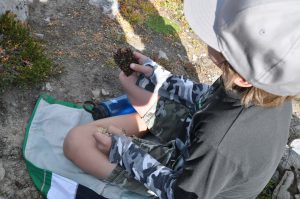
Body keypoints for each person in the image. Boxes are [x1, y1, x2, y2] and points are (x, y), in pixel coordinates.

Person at [63, 0, 300, 198]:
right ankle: (144, 119)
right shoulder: (270, 85)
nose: (210, 34)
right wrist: (160, 78)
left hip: (190, 179)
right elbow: (208, 97)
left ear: (242, 78)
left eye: (216, 36)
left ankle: (136, 132)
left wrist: (123, 151)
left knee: (77, 141)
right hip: (203, 150)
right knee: (143, 105)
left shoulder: (219, 140)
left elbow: (179, 193)